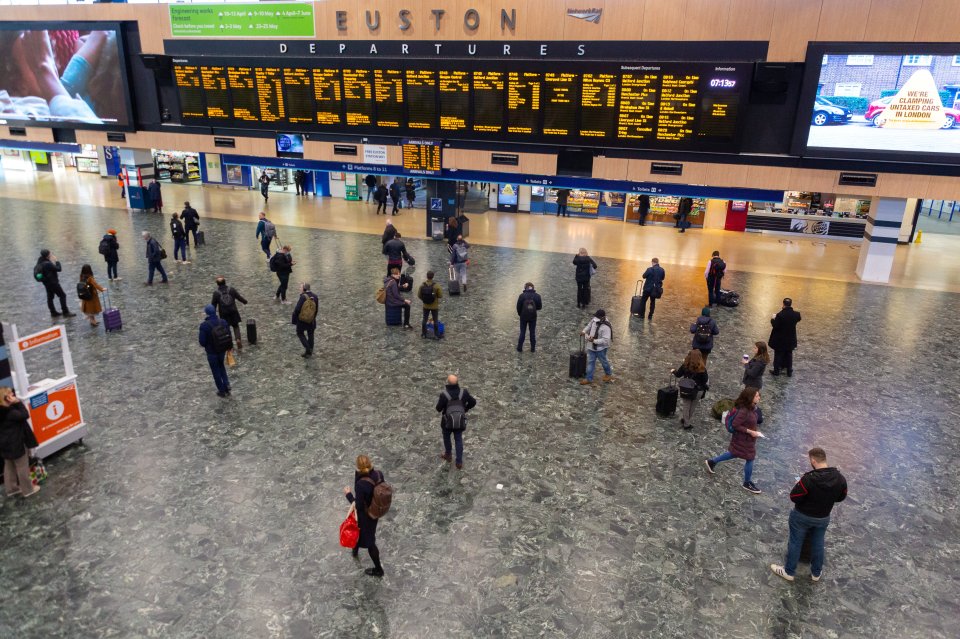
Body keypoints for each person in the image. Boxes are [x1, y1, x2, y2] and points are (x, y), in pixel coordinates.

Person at [770, 447, 848, 583]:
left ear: (813, 460)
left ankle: (789, 571)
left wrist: (798, 485)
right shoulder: (840, 479)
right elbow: (841, 497)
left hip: (802, 516)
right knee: (818, 543)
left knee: (795, 542)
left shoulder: (808, 479)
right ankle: (816, 573)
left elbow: (794, 497)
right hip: (823, 517)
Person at [705, 387, 764, 494]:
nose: (759, 397)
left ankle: (712, 462)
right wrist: (750, 431)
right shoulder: (744, 411)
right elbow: (735, 425)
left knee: (733, 453)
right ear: (750, 397)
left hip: (745, 439)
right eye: (756, 396)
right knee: (750, 458)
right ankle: (747, 483)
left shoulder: (751, 408)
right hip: (744, 439)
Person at [343, 455, 386, 577]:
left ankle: (378, 570)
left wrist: (348, 495)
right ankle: (355, 550)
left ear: (358, 467)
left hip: (366, 516)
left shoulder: (361, 484)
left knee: (370, 542)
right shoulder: (378, 474)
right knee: (362, 533)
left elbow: (359, 506)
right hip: (375, 511)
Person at [0, 387, 40, 498]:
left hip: (4, 445)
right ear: (7, 398)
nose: (14, 395)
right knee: (22, 466)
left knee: (9, 466)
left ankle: (11, 489)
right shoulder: (11, 413)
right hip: (16, 444)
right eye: (11, 394)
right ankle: (28, 490)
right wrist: (18, 403)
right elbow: (25, 414)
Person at [436, 374, 477, 469]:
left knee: (446, 438)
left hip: (447, 422)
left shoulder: (444, 395)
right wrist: (465, 409)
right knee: (458, 440)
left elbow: (438, 408)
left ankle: (448, 455)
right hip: (460, 422)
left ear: (448, 383)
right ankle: (459, 462)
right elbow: (473, 402)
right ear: (457, 382)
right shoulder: (464, 393)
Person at [198, 304, 231, 397]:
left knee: (215, 370)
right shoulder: (223, 322)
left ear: (206, 313)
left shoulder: (204, 326)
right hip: (222, 350)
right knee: (221, 366)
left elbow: (202, 342)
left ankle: (221, 390)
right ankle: (226, 384)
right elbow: (228, 334)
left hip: (211, 352)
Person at [671, 349, 709, 429]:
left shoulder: (685, 366)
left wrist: (673, 371)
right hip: (698, 390)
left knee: (686, 406)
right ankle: (686, 421)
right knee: (692, 406)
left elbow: (678, 374)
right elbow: (705, 380)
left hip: (687, 389)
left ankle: (686, 421)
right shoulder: (702, 369)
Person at [211, 277, 248, 350]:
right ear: (225, 282)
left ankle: (229, 343)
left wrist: (213, 314)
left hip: (224, 313)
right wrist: (245, 301)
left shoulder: (216, 293)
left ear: (217, 284)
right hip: (233, 311)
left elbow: (213, 305)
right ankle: (238, 339)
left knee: (226, 328)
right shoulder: (231, 289)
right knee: (235, 326)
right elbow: (239, 297)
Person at [35, 249, 75, 318]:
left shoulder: (40, 262)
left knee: (50, 298)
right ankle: (65, 312)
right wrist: (56, 261)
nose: (51, 255)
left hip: (46, 283)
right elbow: (59, 269)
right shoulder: (47, 264)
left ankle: (53, 312)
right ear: (47, 255)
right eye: (50, 254)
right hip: (53, 283)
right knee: (62, 295)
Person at [769, 298, 802, 377]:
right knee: (789, 354)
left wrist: (772, 319)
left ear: (783, 304)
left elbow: (775, 326)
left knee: (778, 355)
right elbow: (798, 319)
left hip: (780, 340)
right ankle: (789, 371)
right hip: (790, 339)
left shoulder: (780, 315)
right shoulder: (796, 314)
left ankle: (776, 371)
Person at [580, 309, 613, 385]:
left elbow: (605, 340)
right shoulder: (594, 320)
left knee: (604, 361)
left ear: (602, 317)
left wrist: (594, 341)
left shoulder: (606, 327)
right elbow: (589, 325)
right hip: (591, 347)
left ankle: (608, 374)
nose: (595, 319)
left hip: (600, 349)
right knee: (591, 362)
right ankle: (589, 378)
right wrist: (584, 331)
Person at [292, 282, 319, 357]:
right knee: (311, 334)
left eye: (300, 287)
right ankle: (310, 350)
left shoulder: (303, 297)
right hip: (311, 320)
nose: (299, 289)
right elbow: (316, 310)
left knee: (300, 333)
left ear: (304, 289)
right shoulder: (315, 296)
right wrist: (312, 318)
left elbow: (297, 310)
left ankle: (308, 349)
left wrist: (294, 320)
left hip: (302, 321)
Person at [516, 282, 542, 353]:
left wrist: (520, 314)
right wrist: (533, 309)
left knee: (522, 332)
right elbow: (540, 307)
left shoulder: (522, 296)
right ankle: (533, 348)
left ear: (525, 288)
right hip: (533, 317)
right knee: (532, 332)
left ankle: (519, 348)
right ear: (533, 288)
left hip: (523, 317)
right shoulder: (537, 296)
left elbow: (518, 307)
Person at [417, 270, 443, 339]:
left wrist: (424, 300)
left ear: (427, 276)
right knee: (435, 320)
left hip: (425, 306)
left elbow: (419, 295)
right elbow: (440, 295)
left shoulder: (422, 285)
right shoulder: (436, 286)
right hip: (434, 306)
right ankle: (436, 335)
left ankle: (423, 334)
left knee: (424, 319)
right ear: (433, 276)